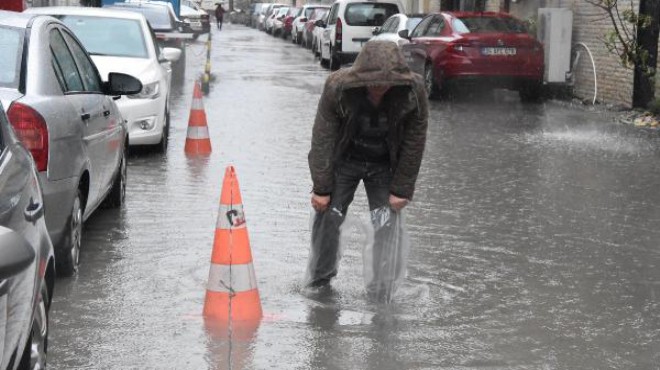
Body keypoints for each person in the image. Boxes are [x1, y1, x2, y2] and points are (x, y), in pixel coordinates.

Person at [307, 40, 429, 289]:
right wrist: (321, 187)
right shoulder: (337, 87)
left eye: (385, 83)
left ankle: (382, 288)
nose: (378, 88)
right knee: (329, 216)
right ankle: (320, 282)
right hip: (346, 159)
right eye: (372, 83)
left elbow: (414, 141)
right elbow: (323, 137)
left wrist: (402, 189)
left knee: (385, 221)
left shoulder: (413, 90)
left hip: (384, 165)